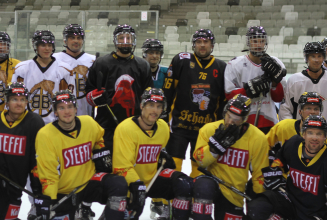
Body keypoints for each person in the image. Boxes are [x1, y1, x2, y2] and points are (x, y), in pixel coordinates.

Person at [34, 90, 128, 220]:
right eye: (61, 108)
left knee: (119, 184)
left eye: (70, 107)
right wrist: (49, 200)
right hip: (65, 191)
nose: (67, 111)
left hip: (88, 183)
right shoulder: (45, 135)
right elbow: (48, 174)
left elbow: (99, 138)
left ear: (76, 109)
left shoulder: (88, 123)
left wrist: (99, 150)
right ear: (55, 112)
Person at [112, 87, 193, 220]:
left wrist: (163, 156)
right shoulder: (125, 129)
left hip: (152, 179)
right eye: (150, 105)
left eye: (159, 106)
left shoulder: (163, 127)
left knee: (184, 184)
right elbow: (121, 167)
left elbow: (159, 150)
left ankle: (174, 215)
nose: (154, 110)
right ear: (142, 106)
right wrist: (137, 185)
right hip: (129, 184)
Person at [85, 24, 153, 170]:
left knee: (131, 167)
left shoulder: (143, 65)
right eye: (121, 38)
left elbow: (148, 95)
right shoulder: (101, 63)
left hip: (135, 126)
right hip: (107, 127)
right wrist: (96, 97)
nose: (125, 41)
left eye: (129, 38)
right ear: (115, 41)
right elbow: (88, 94)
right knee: (106, 168)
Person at [162, 28, 227, 179]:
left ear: (212, 45)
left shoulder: (222, 67)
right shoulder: (181, 60)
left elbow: (223, 100)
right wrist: (164, 118)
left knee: (200, 168)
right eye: (199, 42)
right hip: (179, 125)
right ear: (193, 45)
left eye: (206, 42)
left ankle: (195, 200)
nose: (202, 45)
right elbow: (168, 91)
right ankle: (167, 201)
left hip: (205, 130)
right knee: (172, 165)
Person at [192, 94, 269, 219]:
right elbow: (200, 161)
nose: (230, 122)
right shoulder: (209, 129)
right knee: (204, 187)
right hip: (210, 182)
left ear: (244, 119)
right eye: (228, 116)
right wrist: (213, 150)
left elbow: (259, 173)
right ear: (224, 112)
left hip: (233, 193)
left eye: (236, 119)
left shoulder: (258, 138)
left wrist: (260, 199)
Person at [247, 115, 327, 220]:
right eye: (310, 133)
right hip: (288, 200)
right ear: (303, 134)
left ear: (325, 137)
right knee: (257, 208)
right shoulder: (293, 144)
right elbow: (279, 162)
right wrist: (274, 173)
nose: (314, 138)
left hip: (313, 212)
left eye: (319, 134)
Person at [224, 26, 287, 134]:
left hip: (269, 121)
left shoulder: (276, 63)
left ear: (265, 43)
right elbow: (229, 95)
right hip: (241, 120)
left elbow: (279, 98)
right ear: (248, 42)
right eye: (255, 41)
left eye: (262, 41)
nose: (258, 44)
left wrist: (275, 83)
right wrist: (248, 90)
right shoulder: (235, 64)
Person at [0, 82, 44, 220]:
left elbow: (36, 157)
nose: (18, 103)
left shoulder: (34, 122)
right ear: (7, 102)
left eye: (22, 100)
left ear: (27, 102)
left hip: (16, 186)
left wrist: (37, 187)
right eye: (14, 99)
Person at [12, 30, 73, 125]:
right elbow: (14, 98)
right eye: (43, 45)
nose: (47, 48)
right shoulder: (22, 69)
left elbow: (68, 101)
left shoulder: (64, 69)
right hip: (27, 124)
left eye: (50, 45)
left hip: (55, 124)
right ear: (36, 46)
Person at [53, 24, 95, 117]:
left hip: (86, 111)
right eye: (72, 37)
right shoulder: (54, 59)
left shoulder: (93, 60)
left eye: (79, 38)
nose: (76, 41)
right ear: (65, 40)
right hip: (62, 111)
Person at [267, 92, 323, 159]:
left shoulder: (324, 134)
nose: (312, 112)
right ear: (300, 111)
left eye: (316, 109)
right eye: (308, 108)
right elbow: (264, 145)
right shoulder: (283, 127)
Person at [279, 42, 327, 121]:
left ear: (323, 58)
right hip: (300, 132)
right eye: (313, 56)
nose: (317, 60)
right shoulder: (294, 80)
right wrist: (293, 129)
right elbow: (285, 109)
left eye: (319, 56)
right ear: (307, 58)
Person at [0, 31, 20, 112]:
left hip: (11, 113)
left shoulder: (18, 65)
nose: (0, 47)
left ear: (8, 47)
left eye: (3, 44)